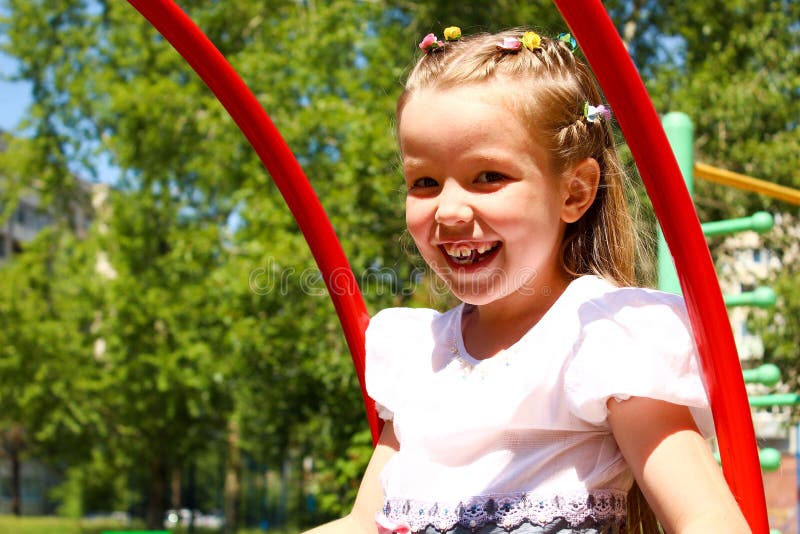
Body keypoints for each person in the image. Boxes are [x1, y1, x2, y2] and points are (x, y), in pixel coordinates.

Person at [306, 28, 750, 534]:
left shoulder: (603, 339)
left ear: (574, 192)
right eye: (424, 182)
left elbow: (706, 516)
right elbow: (364, 523)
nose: (449, 210)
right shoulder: (415, 355)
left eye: (488, 176)